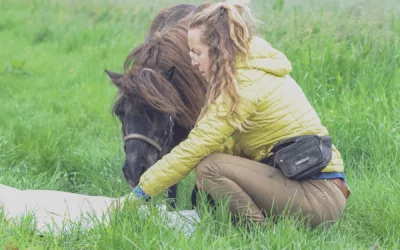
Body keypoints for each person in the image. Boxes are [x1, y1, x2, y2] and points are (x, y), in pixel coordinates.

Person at [130, 2, 351, 228]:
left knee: (209, 168)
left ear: (218, 50)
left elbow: (196, 146)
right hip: (319, 191)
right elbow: (247, 148)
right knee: (210, 159)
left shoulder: (243, 85)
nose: (192, 60)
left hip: (318, 196)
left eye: (197, 52)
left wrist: (140, 192)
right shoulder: (252, 69)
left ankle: (260, 234)